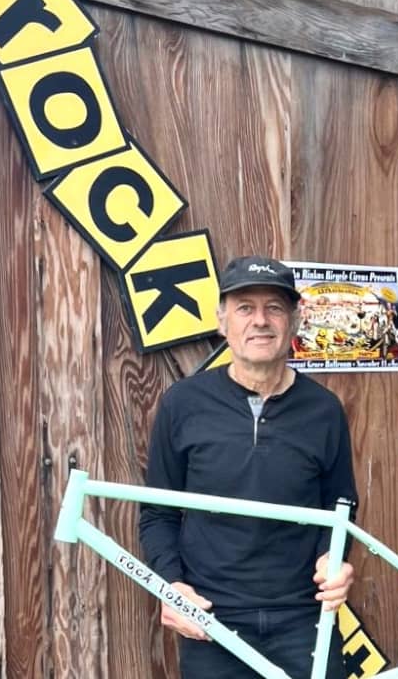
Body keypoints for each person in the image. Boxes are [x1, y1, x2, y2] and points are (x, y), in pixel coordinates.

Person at [139, 255, 358, 679]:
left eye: (274, 308)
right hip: (211, 620)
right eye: (245, 308)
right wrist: (170, 585)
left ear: (293, 322)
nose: (261, 320)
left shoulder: (324, 410)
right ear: (223, 322)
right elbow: (157, 513)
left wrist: (335, 558)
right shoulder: (183, 404)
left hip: (305, 619)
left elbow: (342, 505)